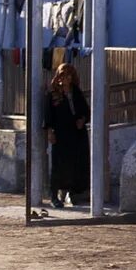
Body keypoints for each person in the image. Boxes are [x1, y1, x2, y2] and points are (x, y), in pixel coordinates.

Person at [44, 63, 90, 209]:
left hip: (76, 134)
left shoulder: (76, 92)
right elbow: (48, 114)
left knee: (75, 164)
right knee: (58, 165)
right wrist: (50, 131)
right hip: (60, 135)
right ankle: (54, 195)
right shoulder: (53, 94)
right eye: (63, 76)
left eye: (68, 76)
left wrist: (82, 120)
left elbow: (86, 111)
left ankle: (72, 193)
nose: (65, 79)